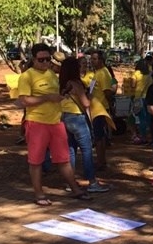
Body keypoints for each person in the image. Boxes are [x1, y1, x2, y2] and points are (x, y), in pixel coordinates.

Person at [17, 43, 90, 205]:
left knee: (63, 159)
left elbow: (55, 95)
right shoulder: (27, 76)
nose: (44, 63)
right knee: (36, 161)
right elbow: (23, 100)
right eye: (40, 60)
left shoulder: (51, 74)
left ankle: (75, 190)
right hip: (37, 123)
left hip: (56, 122)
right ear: (33, 59)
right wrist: (47, 98)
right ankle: (39, 194)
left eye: (47, 59)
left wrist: (63, 94)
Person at [59, 57, 110, 193]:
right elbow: (86, 103)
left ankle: (70, 182)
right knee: (87, 150)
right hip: (77, 118)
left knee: (71, 150)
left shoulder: (62, 83)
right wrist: (89, 96)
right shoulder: (76, 83)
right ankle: (92, 181)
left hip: (64, 117)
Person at [89, 50, 114, 170]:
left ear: (101, 60)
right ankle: (100, 160)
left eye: (94, 59)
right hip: (96, 108)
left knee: (99, 136)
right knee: (99, 136)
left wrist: (110, 105)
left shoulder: (103, 73)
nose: (92, 61)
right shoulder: (98, 72)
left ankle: (101, 161)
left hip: (101, 108)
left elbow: (107, 92)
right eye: (91, 59)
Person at [130, 59, 152, 144]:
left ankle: (143, 137)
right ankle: (151, 137)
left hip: (139, 98)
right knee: (149, 118)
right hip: (149, 98)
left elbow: (132, 85)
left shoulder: (136, 74)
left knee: (141, 119)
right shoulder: (150, 73)